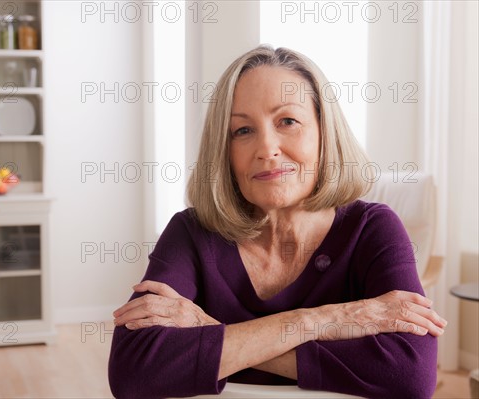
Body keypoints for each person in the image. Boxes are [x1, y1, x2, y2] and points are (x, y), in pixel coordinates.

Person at [108, 46, 447, 399]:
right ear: (223, 150)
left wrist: (216, 335)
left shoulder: (372, 228)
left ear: (324, 132)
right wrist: (319, 320)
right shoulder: (192, 232)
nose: (267, 148)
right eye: (242, 130)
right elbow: (133, 372)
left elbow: (411, 375)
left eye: (287, 121)